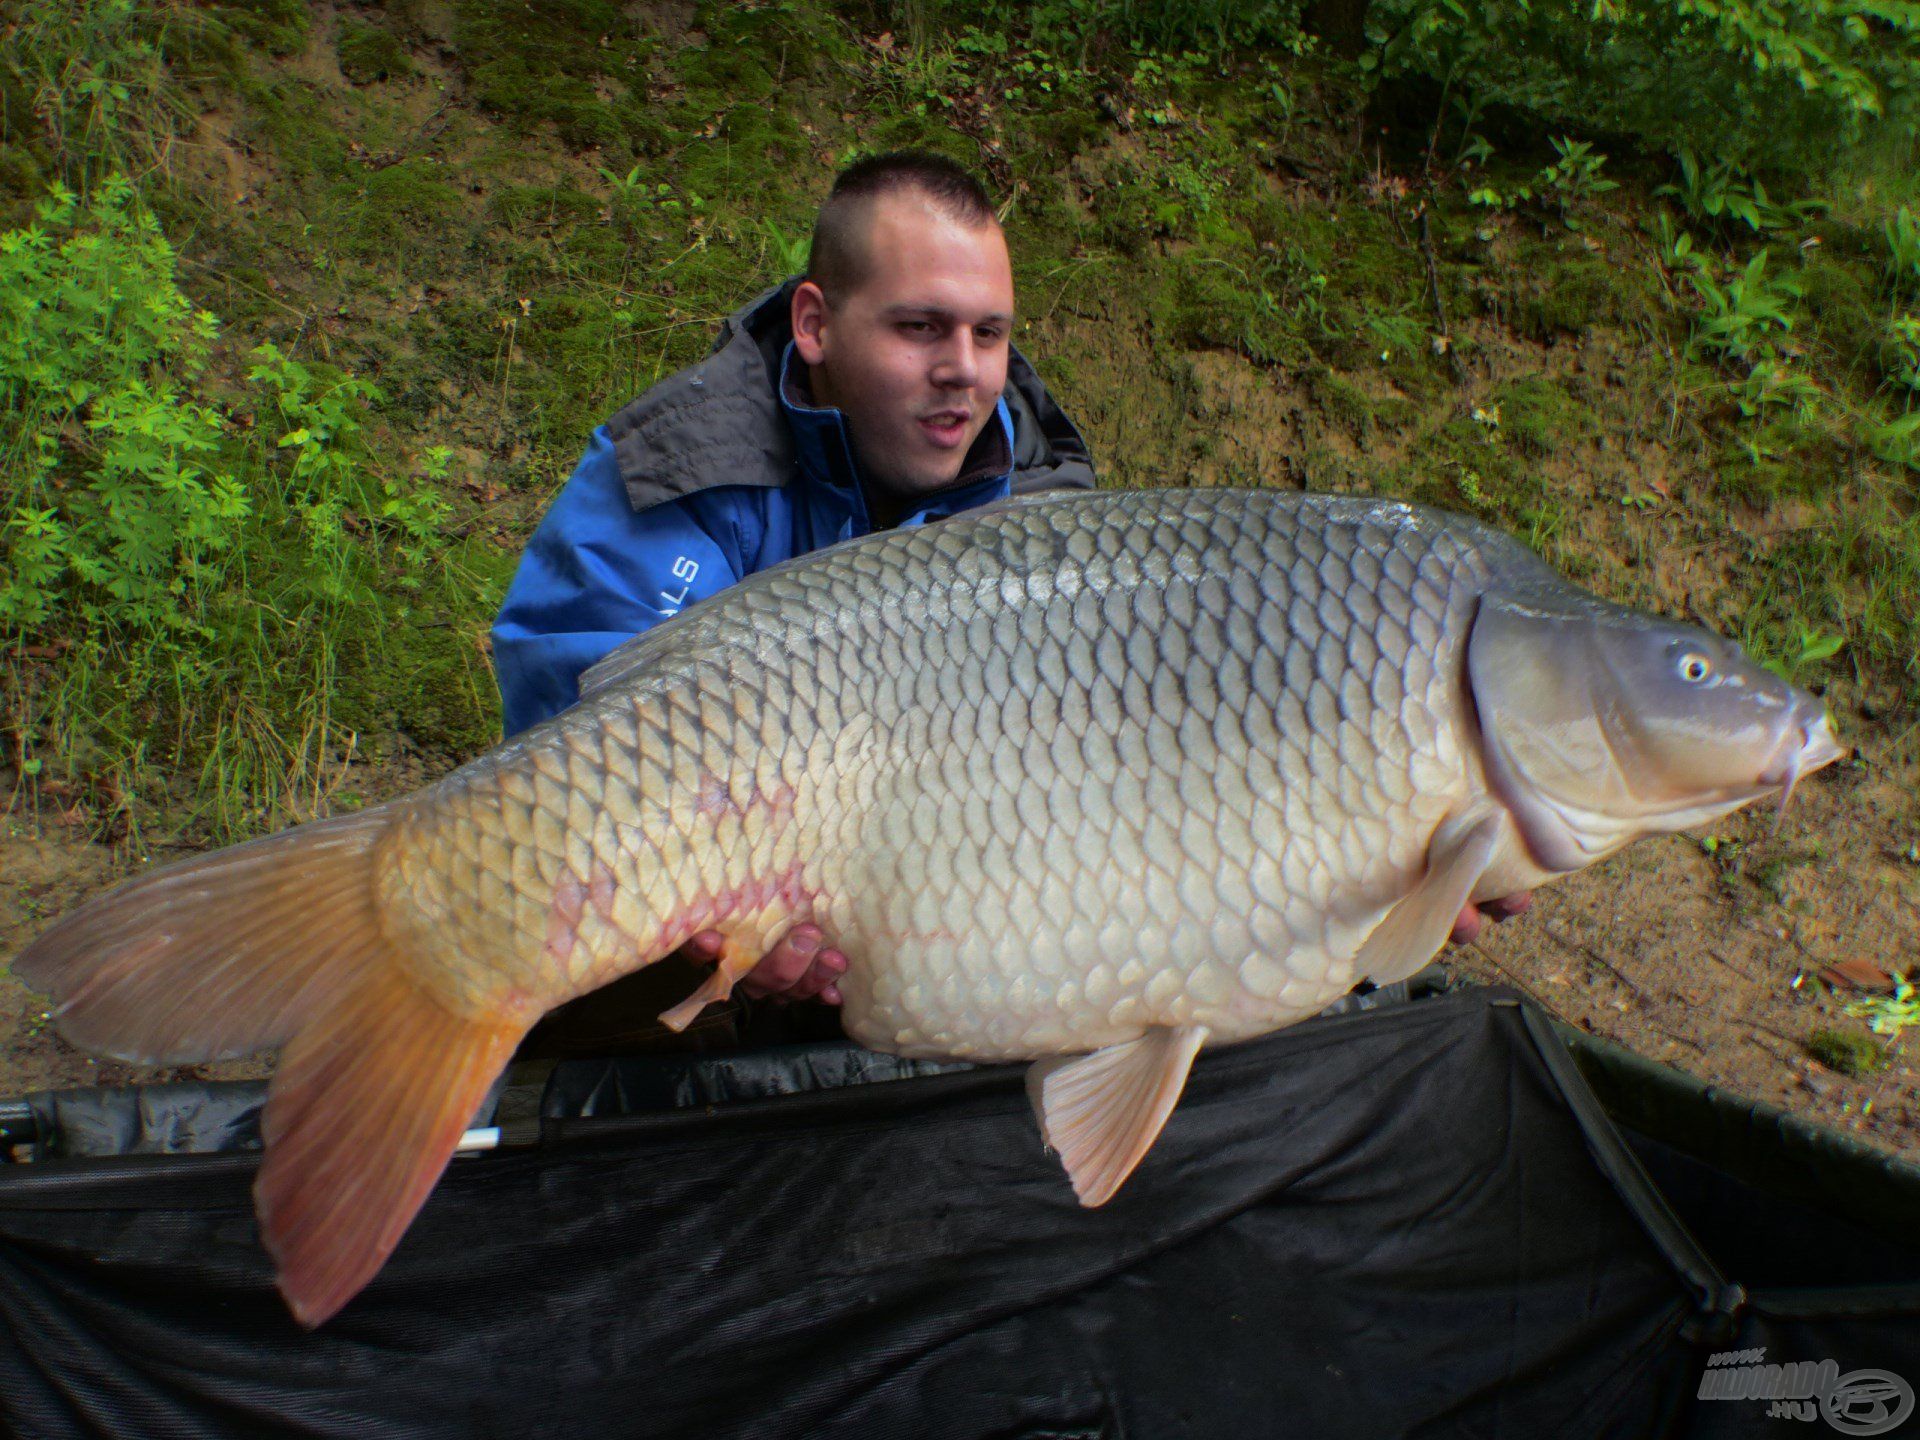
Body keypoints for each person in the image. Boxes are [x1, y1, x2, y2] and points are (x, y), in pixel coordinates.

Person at [493, 151, 1095, 1028]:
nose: (964, 369)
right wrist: (708, 922)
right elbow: (565, 773)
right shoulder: (686, 471)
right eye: (922, 327)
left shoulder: (1046, 508)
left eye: (990, 333)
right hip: (686, 927)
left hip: (960, 931)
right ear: (814, 324)